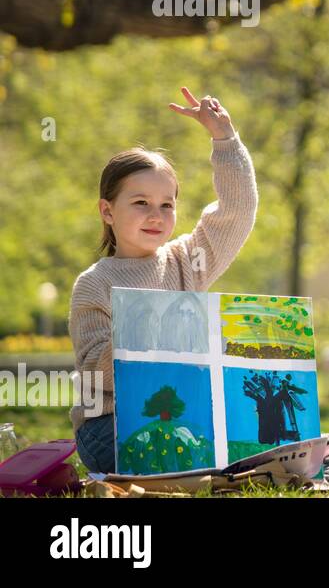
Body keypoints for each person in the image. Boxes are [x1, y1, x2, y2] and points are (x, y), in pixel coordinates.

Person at [70, 88, 259, 473]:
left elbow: (237, 212)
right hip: (110, 425)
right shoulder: (93, 283)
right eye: (140, 203)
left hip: (186, 414)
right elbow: (93, 368)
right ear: (107, 211)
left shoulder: (186, 261)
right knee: (181, 449)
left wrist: (225, 140)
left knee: (249, 439)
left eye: (167, 205)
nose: (156, 215)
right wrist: (150, 329)